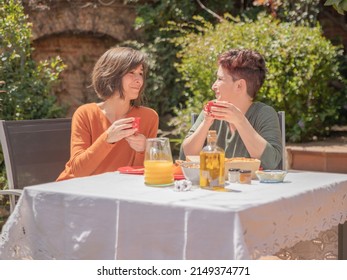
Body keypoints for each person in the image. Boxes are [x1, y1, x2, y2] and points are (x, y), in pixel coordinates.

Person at [57, 47, 159, 181]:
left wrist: (144, 149)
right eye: (131, 72)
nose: (139, 80)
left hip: (120, 193)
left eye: (140, 73)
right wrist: (107, 139)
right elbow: (79, 172)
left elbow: (143, 176)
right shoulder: (85, 114)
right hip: (75, 191)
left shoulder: (149, 117)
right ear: (112, 75)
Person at [181, 48, 282, 170]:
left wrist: (240, 121)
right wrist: (206, 123)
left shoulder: (264, 114)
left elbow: (271, 164)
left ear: (239, 85)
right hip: (215, 186)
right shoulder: (212, 110)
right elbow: (186, 156)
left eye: (220, 79)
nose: (213, 86)